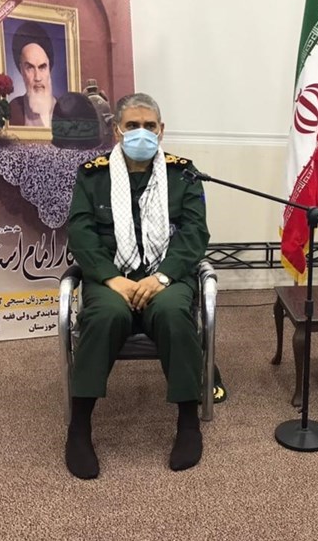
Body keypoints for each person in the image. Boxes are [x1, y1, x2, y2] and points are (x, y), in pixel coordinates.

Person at [65, 93, 210, 478]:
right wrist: (111, 278)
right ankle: (79, 428)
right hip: (111, 276)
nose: (141, 133)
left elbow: (195, 233)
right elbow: (80, 233)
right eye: (132, 125)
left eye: (149, 126)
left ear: (161, 131)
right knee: (104, 316)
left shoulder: (184, 174)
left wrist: (162, 276)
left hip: (165, 276)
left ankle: (188, 423)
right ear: (117, 130)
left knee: (174, 313)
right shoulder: (92, 175)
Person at [8, 21, 57, 127]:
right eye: (30, 68)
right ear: (22, 70)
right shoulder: (14, 110)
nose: (37, 77)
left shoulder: (63, 109)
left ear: (49, 68)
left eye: (42, 67)